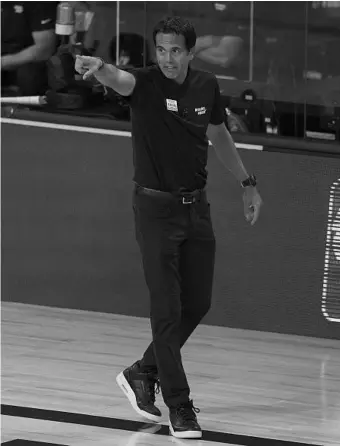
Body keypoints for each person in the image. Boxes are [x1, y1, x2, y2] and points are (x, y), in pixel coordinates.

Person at [75, 16, 262, 439]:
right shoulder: (144, 83)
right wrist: (97, 66)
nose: (167, 58)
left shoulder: (205, 86)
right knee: (166, 310)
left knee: (197, 303)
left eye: (175, 50)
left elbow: (219, 134)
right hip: (155, 211)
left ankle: (143, 371)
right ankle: (180, 406)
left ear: (190, 53)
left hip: (196, 209)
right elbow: (117, 78)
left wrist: (248, 184)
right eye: (160, 50)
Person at [1, 2, 57, 95]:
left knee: (28, 75)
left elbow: (45, 49)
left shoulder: (40, 4)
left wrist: (3, 62)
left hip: (29, 62)